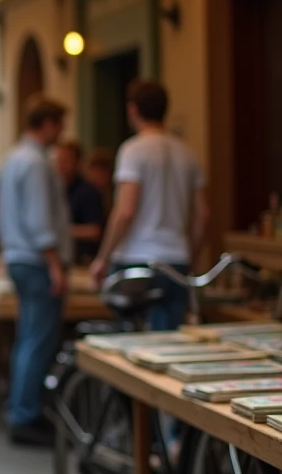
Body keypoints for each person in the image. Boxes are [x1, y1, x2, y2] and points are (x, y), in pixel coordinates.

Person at [90, 79, 209, 331]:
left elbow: (125, 211)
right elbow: (203, 214)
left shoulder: (133, 151)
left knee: (132, 348)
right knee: (170, 343)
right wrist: (191, 256)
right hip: (176, 259)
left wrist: (103, 257)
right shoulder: (188, 153)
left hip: (137, 258)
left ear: (133, 110)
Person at [0, 95, 72, 447]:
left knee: (28, 336)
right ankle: (25, 415)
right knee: (38, 339)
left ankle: (20, 408)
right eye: (60, 124)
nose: (62, 132)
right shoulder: (37, 163)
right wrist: (55, 264)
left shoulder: (14, 157)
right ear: (49, 124)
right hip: (35, 259)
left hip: (17, 256)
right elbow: (39, 219)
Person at [53, 140, 105, 265]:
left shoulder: (87, 192)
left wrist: (63, 230)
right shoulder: (56, 190)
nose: (61, 165)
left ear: (77, 163)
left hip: (82, 260)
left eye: (66, 160)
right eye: (59, 160)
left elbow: (95, 231)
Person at [87, 148, 116, 216]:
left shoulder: (116, 196)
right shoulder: (88, 195)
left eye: (101, 171)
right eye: (94, 171)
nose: (96, 176)